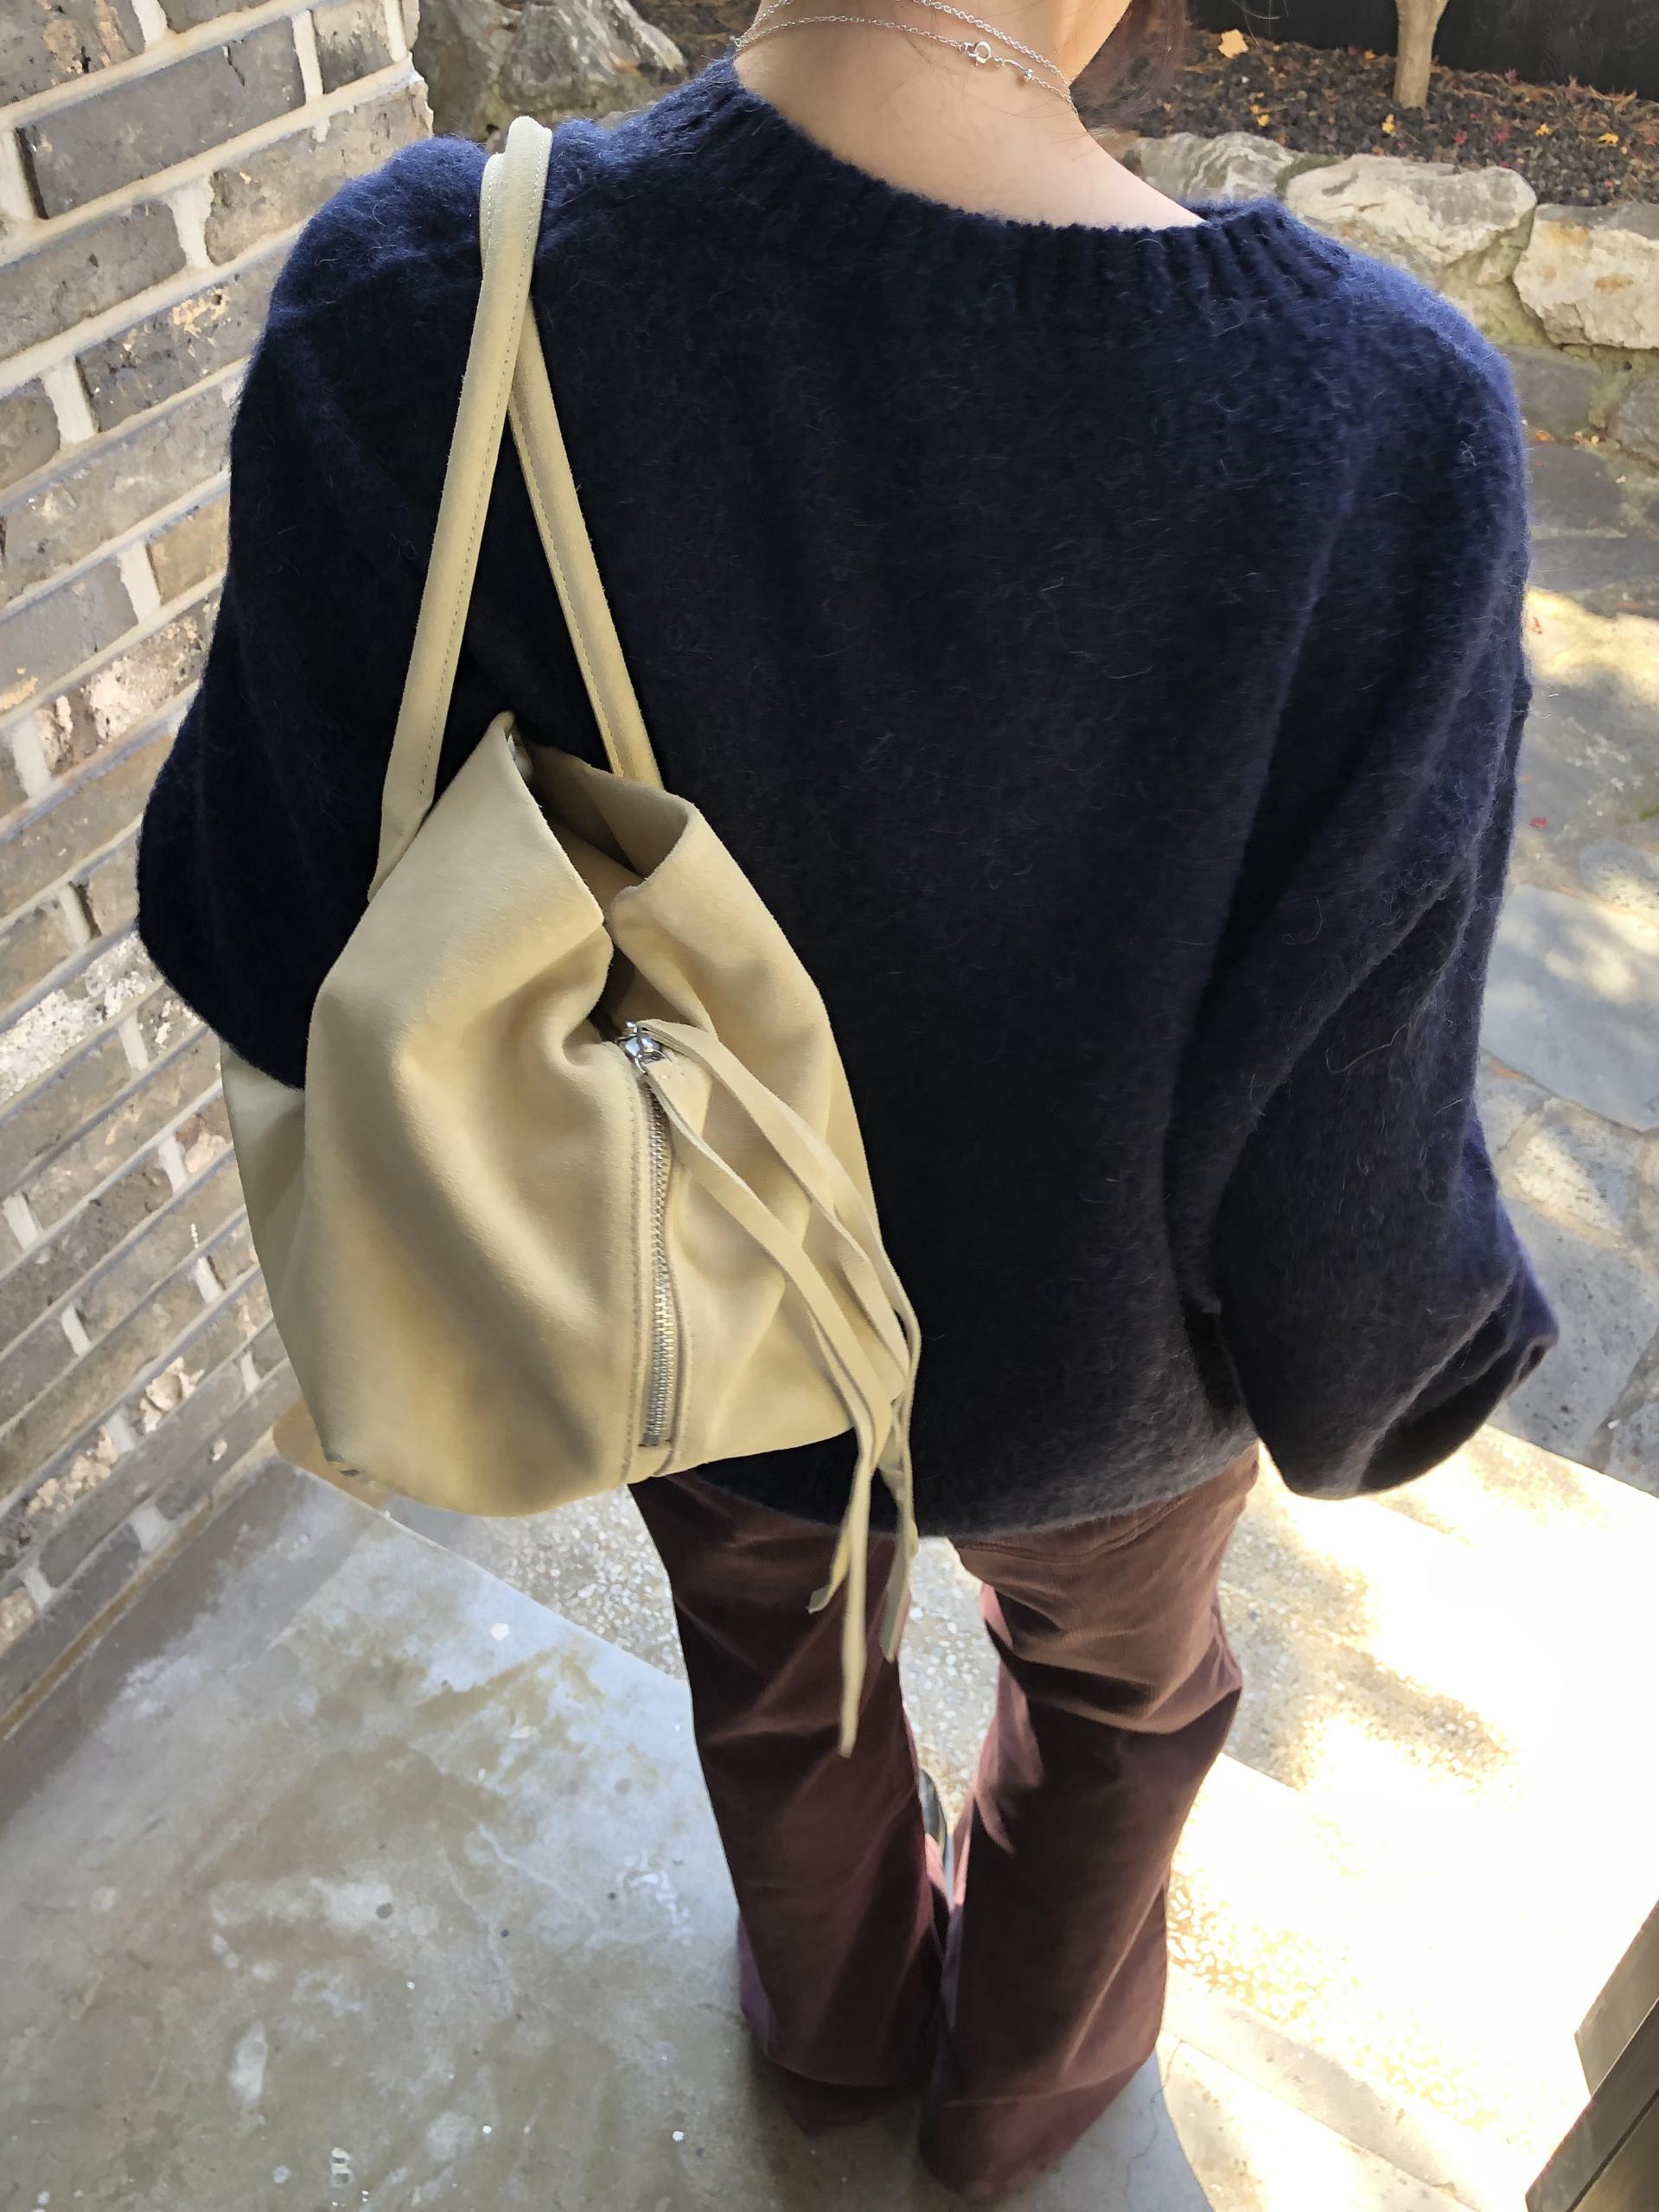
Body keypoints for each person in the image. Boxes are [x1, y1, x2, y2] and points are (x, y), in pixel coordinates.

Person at [137, 0, 1557, 2197]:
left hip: (695, 1320)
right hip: (1114, 1388)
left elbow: (256, 925)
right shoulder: (1387, 423)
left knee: (774, 1670)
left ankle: (829, 2037)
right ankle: (1021, 2100)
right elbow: (1341, 1141)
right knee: (1125, 1701)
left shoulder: (429, 293)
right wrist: (1396, 1374)